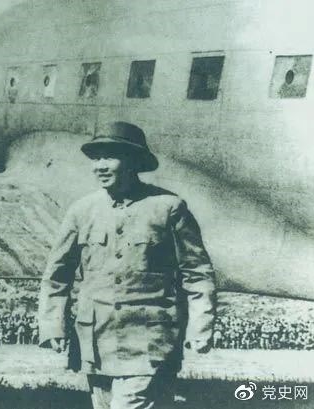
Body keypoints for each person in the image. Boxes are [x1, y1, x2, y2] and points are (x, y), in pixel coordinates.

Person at [38, 122, 216, 409]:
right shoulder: (82, 211)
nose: (100, 166)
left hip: (150, 341)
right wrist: (51, 325)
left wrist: (200, 326)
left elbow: (197, 274)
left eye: (109, 157)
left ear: (133, 161)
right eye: (96, 158)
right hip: (96, 342)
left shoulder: (168, 207)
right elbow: (57, 275)